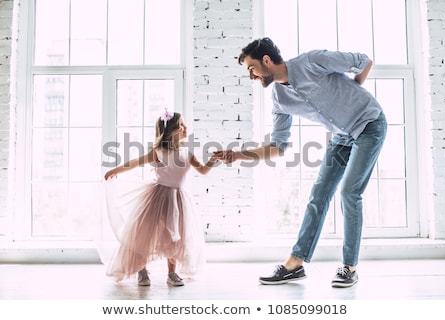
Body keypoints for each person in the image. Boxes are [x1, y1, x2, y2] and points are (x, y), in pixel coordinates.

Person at [217, 38, 387, 288]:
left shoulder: (311, 62)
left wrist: (355, 92)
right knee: (319, 195)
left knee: (349, 192)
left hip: (370, 124)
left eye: (251, 69)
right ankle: (295, 264)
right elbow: (277, 147)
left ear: (266, 60)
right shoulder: (279, 99)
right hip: (342, 136)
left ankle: (349, 267)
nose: (251, 76)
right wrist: (238, 155)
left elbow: (364, 61)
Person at [104, 110, 219, 287]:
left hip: (179, 199)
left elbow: (203, 170)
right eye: (182, 125)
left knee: (174, 235)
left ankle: (172, 273)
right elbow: (135, 162)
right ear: (173, 130)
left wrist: (213, 160)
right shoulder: (159, 151)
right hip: (158, 197)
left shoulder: (187, 153)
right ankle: (142, 270)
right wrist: (115, 170)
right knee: (146, 233)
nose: (186, 127)